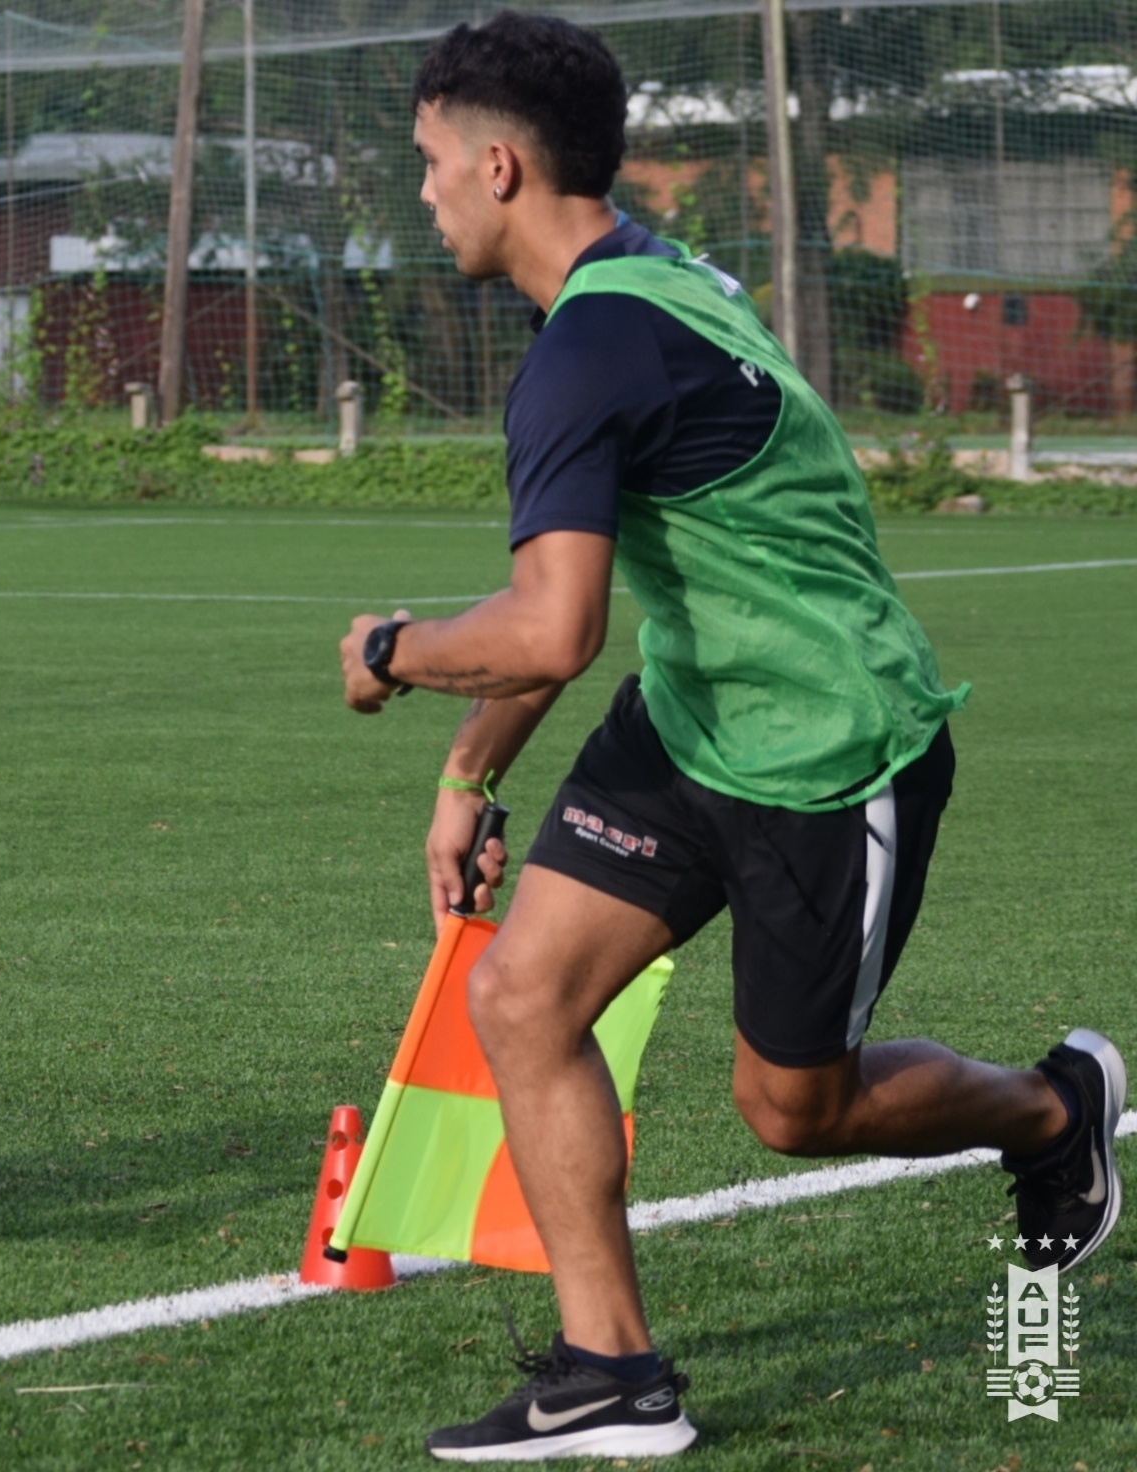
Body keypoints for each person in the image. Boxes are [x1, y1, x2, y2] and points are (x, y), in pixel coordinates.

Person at [337, 13, 1124, 1460]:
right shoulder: (627, 284)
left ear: (499, 165)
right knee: (521, 999)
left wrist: (390, 651)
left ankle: (1053, 1115)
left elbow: (546, 629)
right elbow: (566, 601)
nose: (427, 191)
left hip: (831, 747)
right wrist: (469, 777)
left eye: (432, 162)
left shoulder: (593, 345)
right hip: (696, 710)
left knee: (793, 1109)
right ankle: (611, 1376)